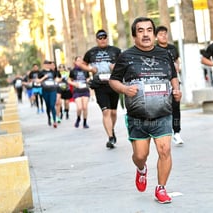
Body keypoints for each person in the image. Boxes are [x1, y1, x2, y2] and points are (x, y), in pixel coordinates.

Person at [109, 17, 182, 204]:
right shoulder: (126, 56)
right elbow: (113, 80)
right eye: (140, 30)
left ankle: (161, 188)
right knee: (141, 155)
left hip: (162, 112)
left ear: (154, 33)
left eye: (149, 30)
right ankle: (141, 169)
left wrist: (176, 89)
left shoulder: (164, 54)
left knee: (165, 150)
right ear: (135, 35)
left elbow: (173, 75)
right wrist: (125, 89)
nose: (146, 34)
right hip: (138, 116)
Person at [77, 29, 121, 148]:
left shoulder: (115, 51)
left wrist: (115, 67)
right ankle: (111, 137)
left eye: (104, 37)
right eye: (100, 38)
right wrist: (90, 69)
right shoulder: (91, 52)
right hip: (99, 85)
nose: (102, 40)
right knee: (105, 111)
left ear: (107, 38)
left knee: (113, 112)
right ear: (97, 40)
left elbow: (123, 64)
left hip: (113, 84)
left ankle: (111, 129)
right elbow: (81, 64)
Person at [155, 25, 184, 145]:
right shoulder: (154, 49)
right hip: (160, 82)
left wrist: (177, 66)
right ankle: (163, 131)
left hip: (174, 80)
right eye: (161, 34)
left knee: (176, 106)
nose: (164, 36)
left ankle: (176, 132)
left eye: (165, 33)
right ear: (156, 37)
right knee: (162, 107)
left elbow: (177, 60)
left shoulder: (172, 48)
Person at [68, 56, 91, 128]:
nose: (79, 62)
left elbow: (89, 77)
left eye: (81, 60)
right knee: (79, 108)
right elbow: (69, 80)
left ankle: (85, 122)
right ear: (75, 62)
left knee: (85, 107)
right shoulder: (73, 71)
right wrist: (74, 84)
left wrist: (88, 80)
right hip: (77, 90)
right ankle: (78, 118)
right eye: (78, 60)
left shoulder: (85, 70)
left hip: (85, 90)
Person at [37, 60, 60, 128]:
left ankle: (54, 121)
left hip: (53, 90)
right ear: (44, 65)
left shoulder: (53, 72)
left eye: (49, 64)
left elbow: (56, 79)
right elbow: (38, 81)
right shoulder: (41, 72)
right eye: (47, 64)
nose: (48, 65)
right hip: (45, 90)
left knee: (52, 105)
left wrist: (57, 81)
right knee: (48, 105)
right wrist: (44, 77)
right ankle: (49, 118)